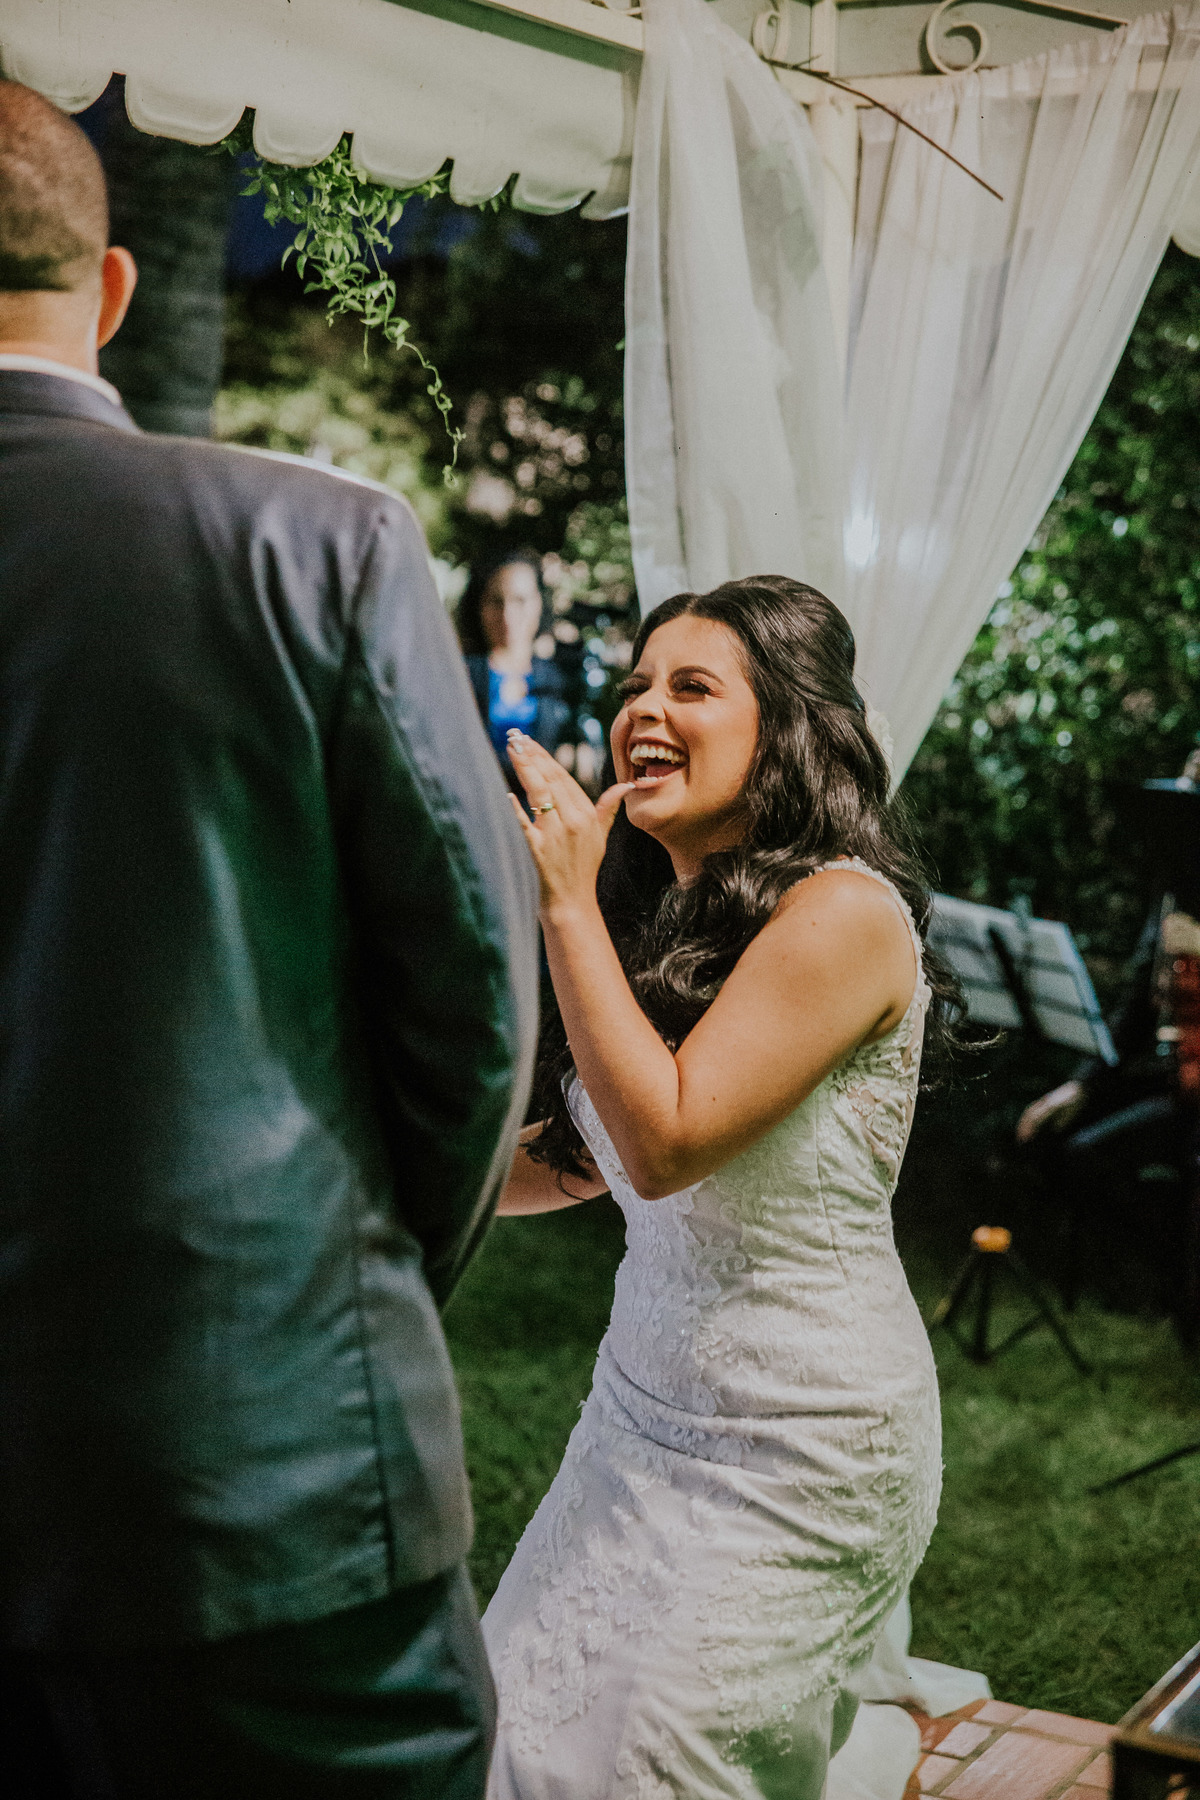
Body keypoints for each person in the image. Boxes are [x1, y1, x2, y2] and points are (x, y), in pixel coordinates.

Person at [0, 81, 538, 1799]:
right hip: (269, 1487)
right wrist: (349, 1295)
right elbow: (474, 999)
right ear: (114, 292)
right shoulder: (314, 542)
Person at [481, 577, 955, 1800]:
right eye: (638, 683)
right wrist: (386, 1180)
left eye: (693, 686)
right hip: (639, 1417)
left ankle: (870, 1757)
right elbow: (581, 1157)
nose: (646, 706)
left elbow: (668, 1142)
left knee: (651, 1767)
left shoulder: (843, 913)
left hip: (807, 1445)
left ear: (787, 728)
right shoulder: (674, 919)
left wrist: (566, 903)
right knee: (515, 1732)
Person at [456, 552, 570, 790]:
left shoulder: (562, 679)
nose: (507, 615)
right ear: (479, 607)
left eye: (520, 600)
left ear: (539, 603)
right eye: (496, 602)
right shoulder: (460, 675)